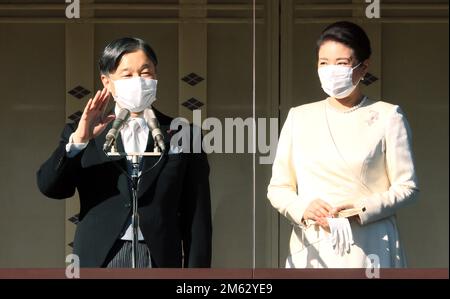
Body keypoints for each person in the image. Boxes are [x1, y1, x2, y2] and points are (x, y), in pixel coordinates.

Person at [37, 37, 212, 268]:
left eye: (145, 72)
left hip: (159, 257)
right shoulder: (83, 132)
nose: (138, 82)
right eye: (127, 75)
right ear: (107, 82)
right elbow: (51, 187)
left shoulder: (183, 134)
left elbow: (197, 217)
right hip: (100, 257)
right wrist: (79, 140)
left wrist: (194, 281)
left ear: (156, 77)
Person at [267, 21, 419, 268]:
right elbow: (278, 188)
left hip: (370, 245)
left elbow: (408, 188)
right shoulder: (299, 116)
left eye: (341, 63)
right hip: (312, 247)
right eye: (323, 63)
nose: (331, 70)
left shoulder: (388, 116)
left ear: (362, 68)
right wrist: (304, 208)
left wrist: (362, 209)